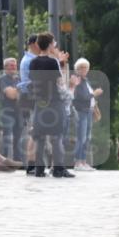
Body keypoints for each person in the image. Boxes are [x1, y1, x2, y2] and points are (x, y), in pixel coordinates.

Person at [29, 34, 74, 178]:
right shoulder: (53, 62)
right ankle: (58, 169)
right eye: (53, 42)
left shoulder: (33, 62)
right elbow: (59, 83)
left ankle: (39, 169)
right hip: (54, 102)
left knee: (40, 138)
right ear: (49, 44)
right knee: (56, 137)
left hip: (39, 103)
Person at [72, 58, 103, 171]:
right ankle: (77, 162)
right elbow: (82, 97)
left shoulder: (86, 81)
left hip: (89, 111)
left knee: (87, 138)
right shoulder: (77, 81)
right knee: (82, 137)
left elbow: (88, 97)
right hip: (82, 112)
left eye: (86, 67)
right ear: (77, 69)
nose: (84, 69)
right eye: (81, 67)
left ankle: (84, 161)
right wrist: (94, 94)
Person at [17, 34, 40, 173]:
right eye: (38, 43)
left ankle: (33, 164)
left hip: (30, 96)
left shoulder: (31, 59)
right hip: (30, 98)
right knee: (33, 132)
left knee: (34, 131)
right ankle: (31, 165)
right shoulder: (30, 60)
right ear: (31, 44)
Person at [0, 57, 21, 160]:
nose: (14, 67)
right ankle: (2, 161)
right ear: (5, 67)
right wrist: (19, 91)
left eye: (15, 65)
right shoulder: (3, 79)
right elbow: (11, 95)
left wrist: (16, 92)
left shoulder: (19, 79)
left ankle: (18, 161)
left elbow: (26, 95)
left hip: (19, 112)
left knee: (18, 138)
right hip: (7, 112)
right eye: (11, 65)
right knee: (7, 137)